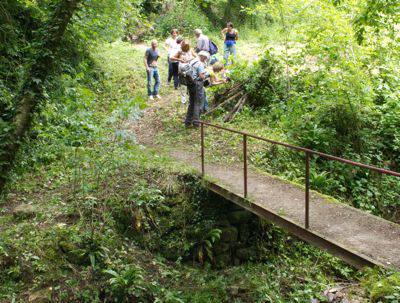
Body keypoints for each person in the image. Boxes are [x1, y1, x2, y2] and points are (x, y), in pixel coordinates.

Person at [185, 51, 210, 128]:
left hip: (190, 84)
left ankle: (188, 122)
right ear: (202, 56)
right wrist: (207, 74)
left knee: (192, 103)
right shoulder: (200, 63)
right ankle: (196, 123)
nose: (205, 60)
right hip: (197, 84)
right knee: (198, 103)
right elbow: (201, 76)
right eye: (205, 58)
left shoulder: (192, 61)